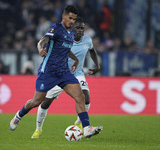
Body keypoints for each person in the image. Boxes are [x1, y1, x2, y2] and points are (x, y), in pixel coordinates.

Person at [10, 5, 103, 139]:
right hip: (48, 71)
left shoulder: (71, 33)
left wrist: (75, 59)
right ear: (63, 16)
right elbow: (43, 40)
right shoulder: (56, 28)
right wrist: (40, 48)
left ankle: (87, 128)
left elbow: (66, 49)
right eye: (70, 18)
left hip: (64, 72)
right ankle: (19, 115)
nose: (72, 21)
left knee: (80, 96)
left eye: (74, 19)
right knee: (36, 101)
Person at [31, 17, 101, 138]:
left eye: (82, 28)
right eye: (77, 28)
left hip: (77, 74)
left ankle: (80, 124)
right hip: (59, 74)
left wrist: (97, 66)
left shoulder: (87, 40)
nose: (80, 30)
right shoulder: (64, 39)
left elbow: (92, 51)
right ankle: (38, 130)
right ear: (72, 28)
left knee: (86, 97)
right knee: (45, 102)